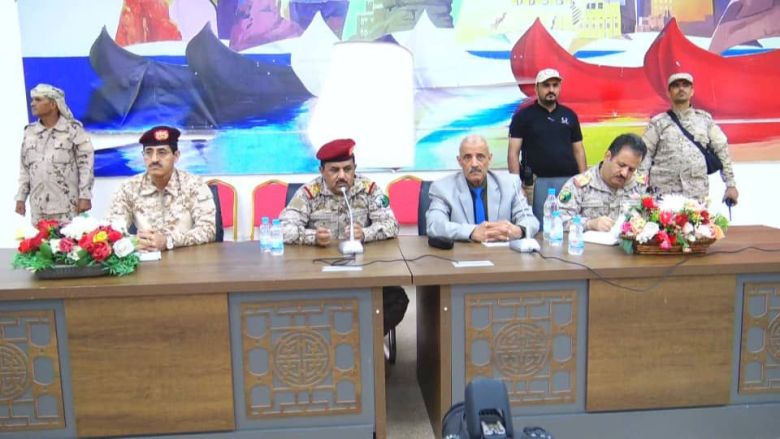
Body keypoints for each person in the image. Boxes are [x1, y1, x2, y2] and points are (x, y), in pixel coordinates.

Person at [280, 138, 407, 335]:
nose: (342, 176)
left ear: (355, 168)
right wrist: (312, 236)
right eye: (334, 170)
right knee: (294, 302)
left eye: (347, 169)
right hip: (320, 274)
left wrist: (365, 233)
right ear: (322, 171)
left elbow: (392, 224)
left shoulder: (369, 189)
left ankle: (365, 341)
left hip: (365, 272)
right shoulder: (308, 193)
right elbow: (283, 228)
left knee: (397, 299)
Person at [105, 126, 216, 251]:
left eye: (162, 152)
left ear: (176, 156)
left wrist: (168, 241)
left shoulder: (194, 184)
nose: (154, 159)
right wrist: (134, 242)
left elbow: (208, 229)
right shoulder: (129, 187)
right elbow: (110, 230)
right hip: (146, 258)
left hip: (186, 257)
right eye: (148, 152)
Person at [640, 72, 738, 204]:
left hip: (696, 196)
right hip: (663, 195)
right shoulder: (658, 123)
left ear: (692, 91)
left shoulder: (705, 120)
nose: (681, 89)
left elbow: (722, 149)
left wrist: (730, 185)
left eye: (685, 85)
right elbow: (644, 155)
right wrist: (640, 189)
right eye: (676, 86)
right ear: (669, 93)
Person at [507, 68, 587, 224]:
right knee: (536, 226)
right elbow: (513, 153)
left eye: (555, 85)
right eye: (546, 85)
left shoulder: (570, 115)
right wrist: (516, 186)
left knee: (568, 224)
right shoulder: (522, 117)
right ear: (536, 88)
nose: (551, 90)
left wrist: (583, 181)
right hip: (535, 184)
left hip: (568, 183)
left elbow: (579, 151)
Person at [426, 134, 539, 241]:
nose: (474, 164)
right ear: (459, 161)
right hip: (462, 252)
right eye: (467, 157)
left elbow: (530, 221)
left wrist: (519, 230)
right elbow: (434, 225)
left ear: (489, 159)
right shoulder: (443, 188)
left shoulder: (510, 184)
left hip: (501, 252)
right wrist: (471, 232)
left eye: (480, 157)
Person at [15, 84, 94, 225]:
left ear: (53, 104)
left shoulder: (73, 130)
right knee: (40, 240)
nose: (32, 103)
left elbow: (86, 165)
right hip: (39, 209)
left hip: (67, 208)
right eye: (32, 100)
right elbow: (25, 168)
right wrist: (21, 197)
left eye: (38, 100)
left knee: (69, 239)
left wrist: (85, 196)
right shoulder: (30, 132)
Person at [558, 133, 648, 231]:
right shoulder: (579, 185)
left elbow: (652, 220)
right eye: (621, 165)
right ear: (608, 156)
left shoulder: (640, 186)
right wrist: (589, 224)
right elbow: (558, 219)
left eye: (631, 169)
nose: (624, 173)